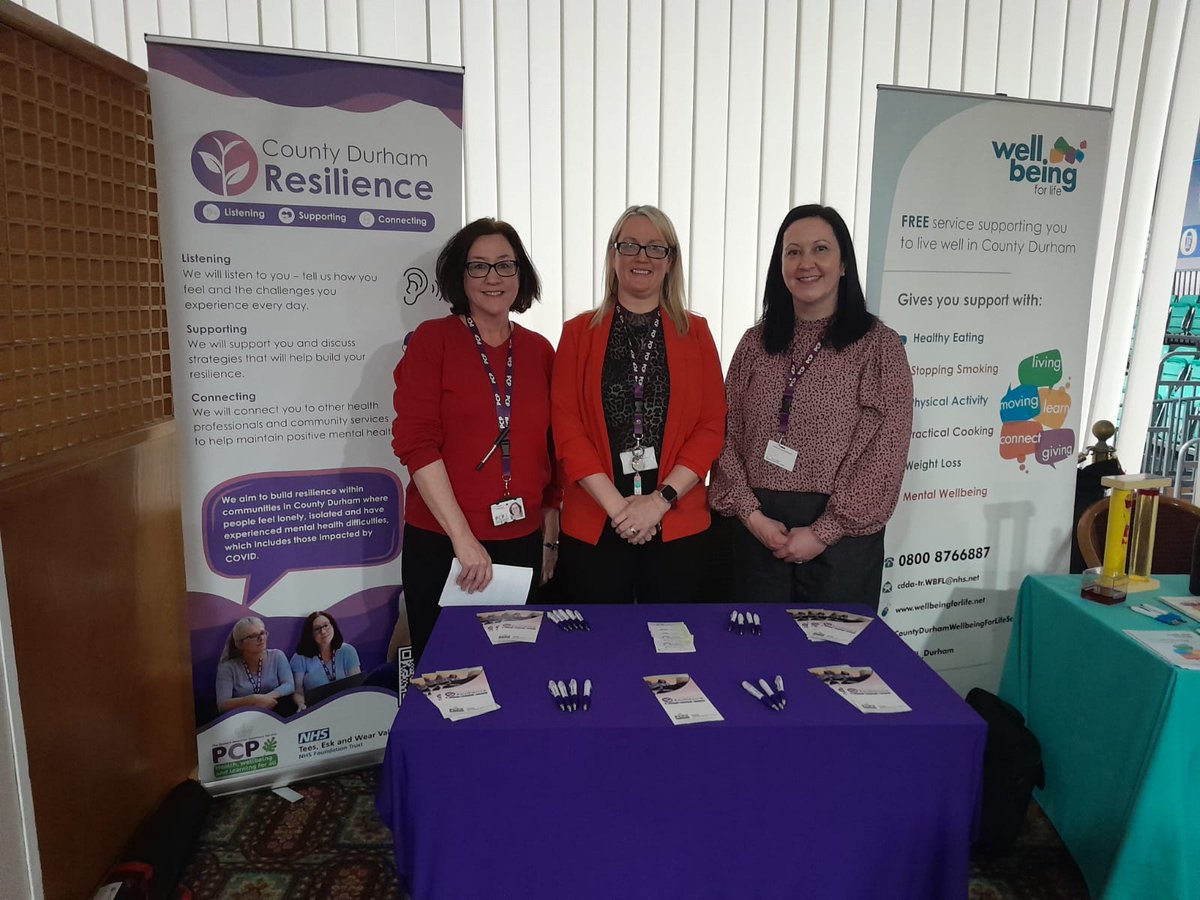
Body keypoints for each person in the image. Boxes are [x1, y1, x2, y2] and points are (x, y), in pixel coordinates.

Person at [710, 204, 912, 609]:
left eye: (820, 249)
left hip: (840, 541)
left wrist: (824, 531)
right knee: (753, 654)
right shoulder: (754, 343)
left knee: (829, 666)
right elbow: (722, 431)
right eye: (793, 252)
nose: (806, 264)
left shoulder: (879, 346)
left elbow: (886, 449)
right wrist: (753, 517)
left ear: (842, 265)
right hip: (753, 530)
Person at [392, 218, 560, 664]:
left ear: (520, 275)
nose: (492, 278)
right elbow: (417, 443)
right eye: (479, 266)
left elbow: (552, 447)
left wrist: (548, 536)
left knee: (513, 666)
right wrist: (464, 540)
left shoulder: (540, 350)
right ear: (459, 276)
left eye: (505, 265)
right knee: (449, 675)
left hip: (521, 539)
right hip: (445, 543)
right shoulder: (433, 341)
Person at [551, 205, 726, 602]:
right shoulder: (577, 333)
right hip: (597, 519)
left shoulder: (696, 333)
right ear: (613, 256)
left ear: (671, 260)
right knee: (597, 651)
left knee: (674, 649)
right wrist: (620, 509)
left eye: (654, 247)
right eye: (629, 245)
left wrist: (658, 502)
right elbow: (567, 428)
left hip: (676, 519)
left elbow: (711, 425)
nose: (641, 257)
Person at [215, 616, 296, 714]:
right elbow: (222, 705)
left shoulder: (277, 655)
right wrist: (253, 699)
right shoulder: (227, 667)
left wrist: (268, 697)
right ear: (240, 644)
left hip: (275, 714)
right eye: (253, 636)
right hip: (242, 720)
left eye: (262, 633)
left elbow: (289, 685)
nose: (261, 638)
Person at [290, 611, 362, 711]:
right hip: (316, 710)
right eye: (317, 629)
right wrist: (301, 704)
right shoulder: (300, 657)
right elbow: (297, 691)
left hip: (348, 708)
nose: (323, 631)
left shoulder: (348, 651)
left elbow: (356, 685)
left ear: (333, 626)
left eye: (326, 626)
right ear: (310, 634)